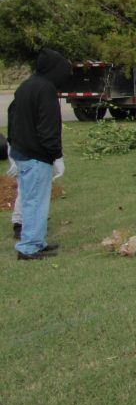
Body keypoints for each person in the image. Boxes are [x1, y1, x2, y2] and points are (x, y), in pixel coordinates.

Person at [7, 48, 72, 260]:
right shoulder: (45, 90)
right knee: (35, 202)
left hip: (23, 152)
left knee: (30, 199)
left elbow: (12, 116)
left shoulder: (27, 85)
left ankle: (36, 241)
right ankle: (28, 247)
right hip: (36, 155)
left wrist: (13, 146)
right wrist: (56, 155)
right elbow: (48, 128)